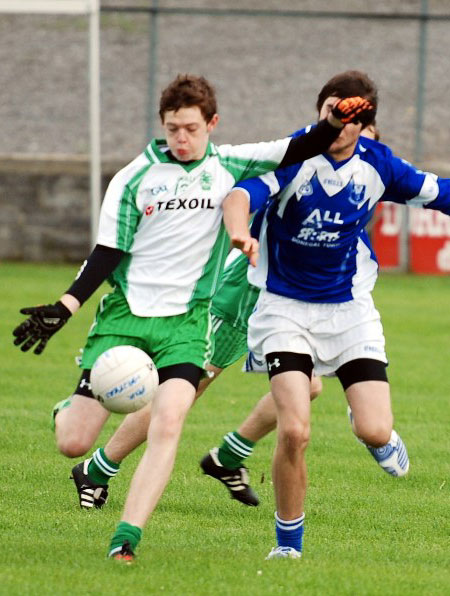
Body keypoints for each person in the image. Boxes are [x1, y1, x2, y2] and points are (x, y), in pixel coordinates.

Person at [12, 73, 373, 562]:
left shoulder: (229, 163)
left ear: (212, 124)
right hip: (125, 320)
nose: (181, 139)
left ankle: (126, 539)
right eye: (172, 129)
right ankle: (75, 420)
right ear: (161, 125)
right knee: (72, 441)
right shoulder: (134, 177)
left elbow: (300, 146)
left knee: (171, 420)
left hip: (188, 324)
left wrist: (333, 122)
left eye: (190, 129)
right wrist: (65, 306)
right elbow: (106, 252)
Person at [199, 70, 450, 561]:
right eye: (329, 113)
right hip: (284, 311)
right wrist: (238, 233)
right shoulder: (296, 155)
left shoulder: (379, 166)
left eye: (348, 117)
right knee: (295, 429)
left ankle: (372, 429)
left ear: (364, 125)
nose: (336, 124)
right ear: (320, 112)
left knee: (375, 430)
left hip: (348, 312)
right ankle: (288, 547)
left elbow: (440, 192)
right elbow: (239, 196)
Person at [200, 123, 410, 508]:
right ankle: (99, 467)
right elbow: (244, 196)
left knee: (308, 387)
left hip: (319, 309)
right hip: (253, 292)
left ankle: (226, 457)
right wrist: (239, 231)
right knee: (187, 384)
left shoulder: (362, 190)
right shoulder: (299, 165)